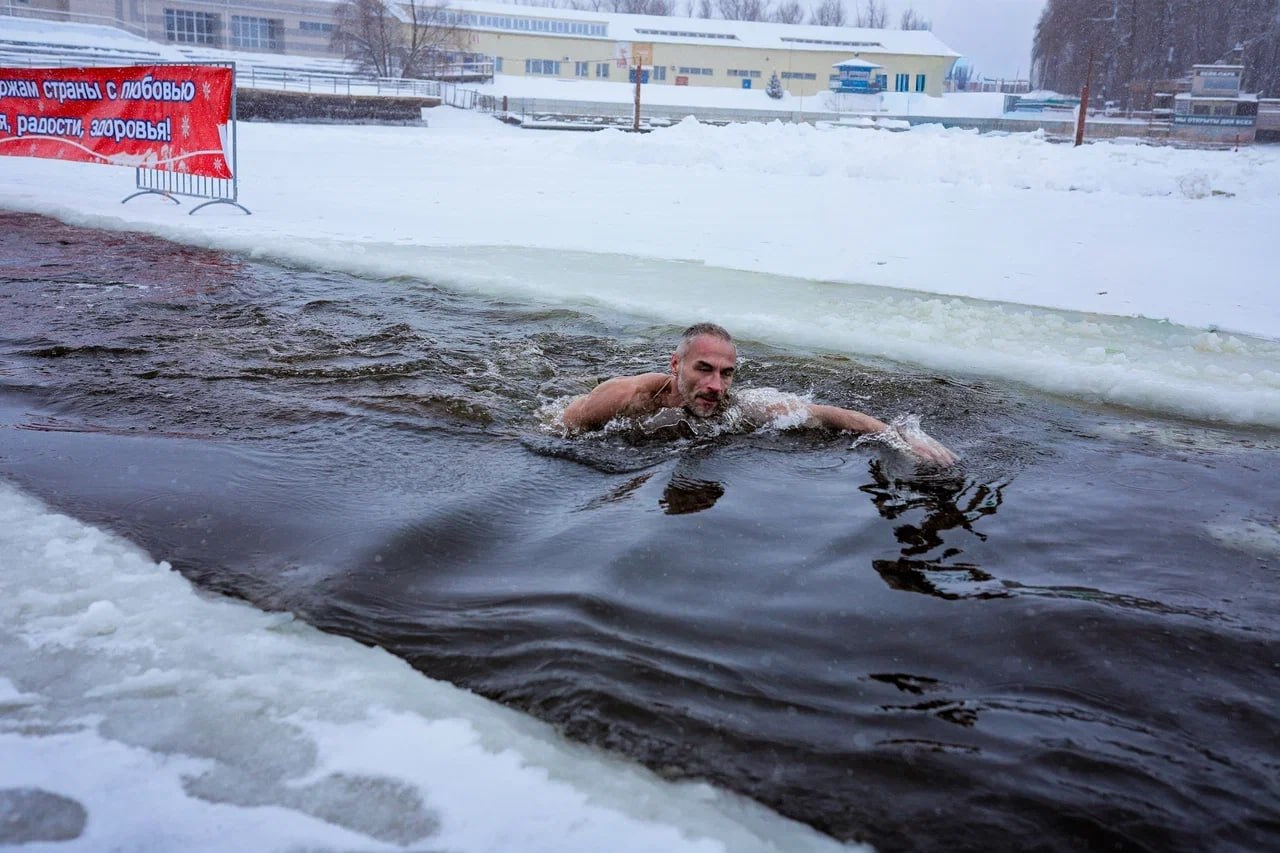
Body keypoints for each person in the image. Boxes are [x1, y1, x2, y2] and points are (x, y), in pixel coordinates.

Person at [561, 322, 957, 465]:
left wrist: (900, 435)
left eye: (726, 373)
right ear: (675, 365)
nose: (716, 386)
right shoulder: (626, 396)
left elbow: (822, 413)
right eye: (704, 369)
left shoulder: (740, 407)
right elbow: (555, 428)